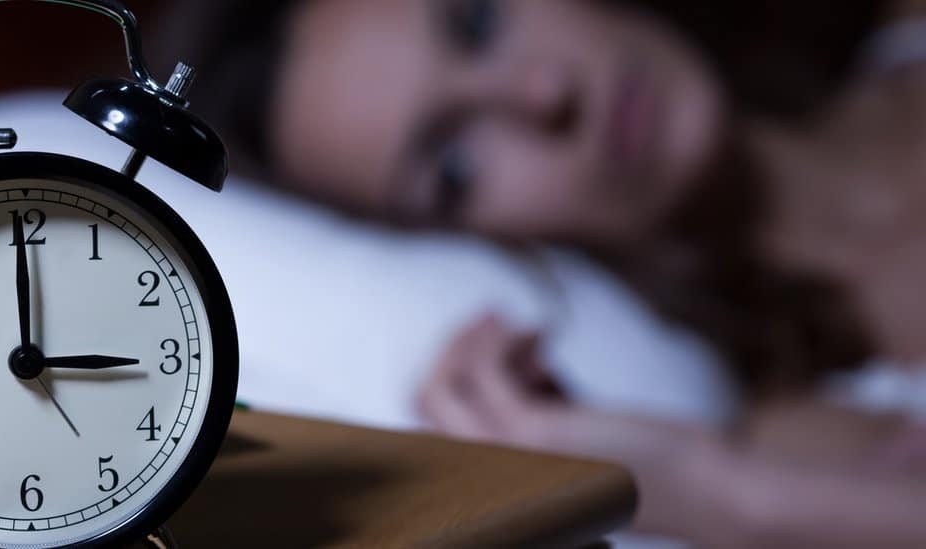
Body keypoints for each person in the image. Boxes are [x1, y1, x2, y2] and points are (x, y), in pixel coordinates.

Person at [154, 1, 926, 547]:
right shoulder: (829, 452)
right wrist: (721, 496)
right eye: (454, 168)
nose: (544, 93)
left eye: (478, 20)